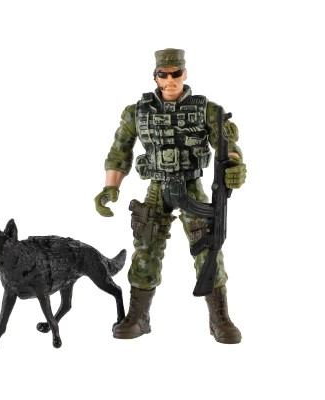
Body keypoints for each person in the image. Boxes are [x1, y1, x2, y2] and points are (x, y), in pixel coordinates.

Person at [94, 48, 247, 344]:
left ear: (185, 73)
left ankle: (220, 318)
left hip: (191, 186)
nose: (170, 80)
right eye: (163, 75)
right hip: (157, 187)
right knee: (146, 249)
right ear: (155, 77)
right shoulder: (137, 112)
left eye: (176, 73)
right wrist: (110, 187)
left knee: (208, 249)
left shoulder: (207, 110)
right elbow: (119, 151)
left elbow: (227, 145)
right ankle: (138, 316)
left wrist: (234, 165)